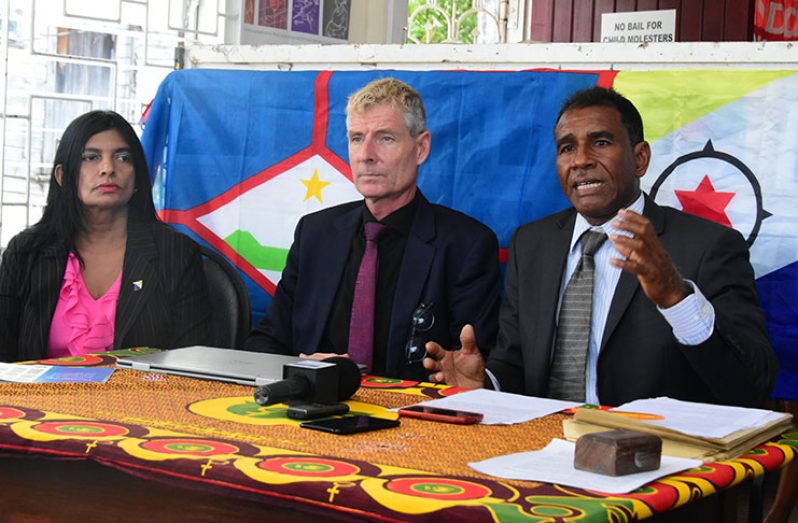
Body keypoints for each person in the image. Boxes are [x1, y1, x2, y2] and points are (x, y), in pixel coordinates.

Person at [424, 86, 776, 408]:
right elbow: (515, 361)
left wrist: (675, 296)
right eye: (567, 148)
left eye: (601, 143)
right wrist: (486, 382)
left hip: (657, 457)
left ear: (640, 158)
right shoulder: (531, 244)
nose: (581, 160)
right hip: (541, 450)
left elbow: (751, 386)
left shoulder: (708, 246)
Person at [245, 77, 500, 381]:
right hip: (312, 413)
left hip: (413, 419)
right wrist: (303, 367)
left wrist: (465, 379)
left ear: (421, 148)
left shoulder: (466, 245)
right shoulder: (315, 233)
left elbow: (472, 368)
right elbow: (264, 341)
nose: (366, 154)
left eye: (385, 138)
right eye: (356, 138)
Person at [0, 110, 211, 361]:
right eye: (90, 157)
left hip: (143, 399)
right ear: (62, 176)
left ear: (137, 178)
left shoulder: (176, 254)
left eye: (123, 157)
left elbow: (192, 364)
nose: (108, 168)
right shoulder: (26, 252)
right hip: (35, 400)